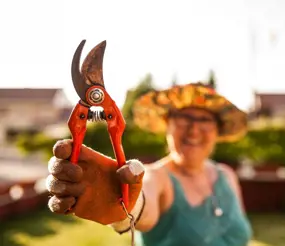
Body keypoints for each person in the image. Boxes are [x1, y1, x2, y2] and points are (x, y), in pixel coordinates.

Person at [46, 82, 253, 246]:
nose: (194, 129)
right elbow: (143, 203)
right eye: (183, 118)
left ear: (217, 130)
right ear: (167, 125)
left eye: (205, 120)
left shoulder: (226, 175)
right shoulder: (159, 177)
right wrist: (125, 203)